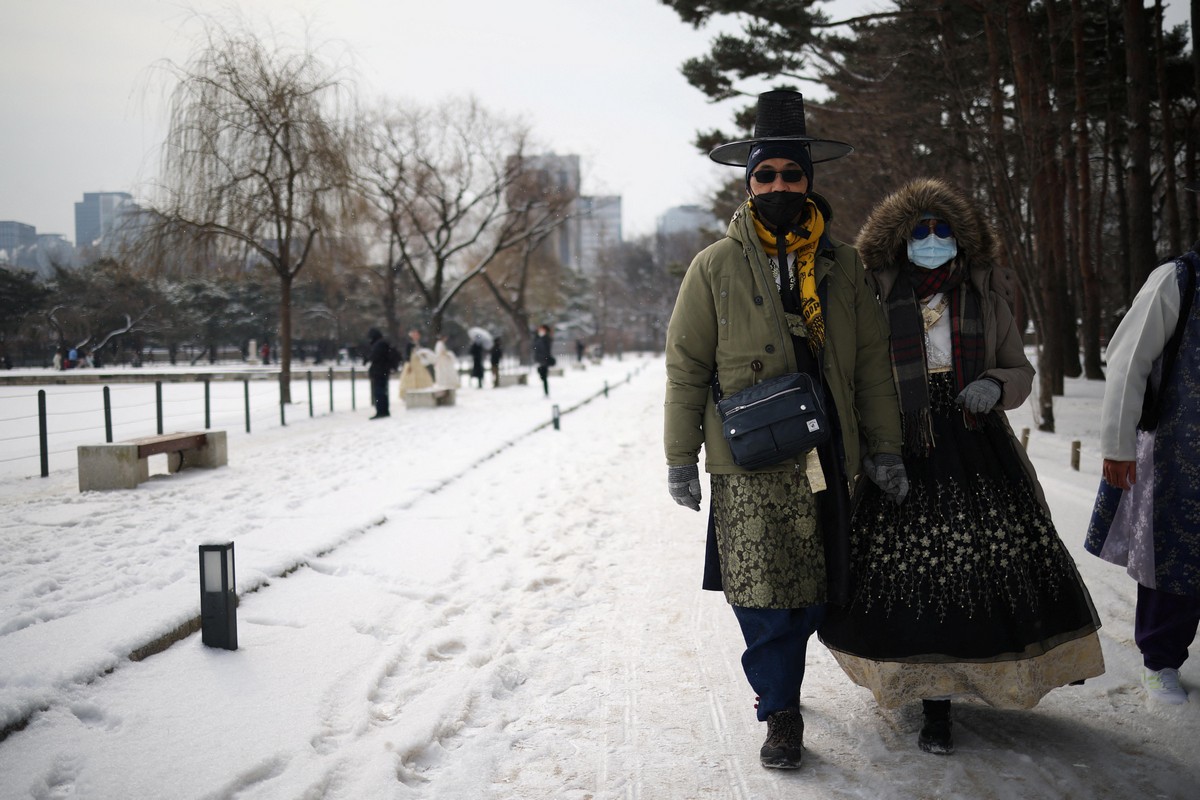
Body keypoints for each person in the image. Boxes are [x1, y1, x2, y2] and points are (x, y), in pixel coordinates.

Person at [818, 178, 1104, 755]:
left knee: (982, 572)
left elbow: (1018, 370)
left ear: (959, 238)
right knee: (912, 578)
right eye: (918, 231)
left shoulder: (985, 295)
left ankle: (972, 680)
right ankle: (932, 705)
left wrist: (994, 385)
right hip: (900, 438)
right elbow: (854, 376)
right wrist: (876, 450)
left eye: (941, 229)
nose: (930, 239)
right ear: (898, 241)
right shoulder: (872, 297)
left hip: (977, 445)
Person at [664, 90, 905, 770]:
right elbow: (685, 368)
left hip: (827, 448)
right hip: (748, 453)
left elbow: (869, 368)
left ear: (808, 182)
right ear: (748, 183)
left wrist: (883, 447)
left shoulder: (845, 264)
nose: (777, 186)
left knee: (821, 582)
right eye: (765, 175)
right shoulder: (714, 266)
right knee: (761, 588)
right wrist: (681, 458)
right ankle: (780, 709)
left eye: (789, 176)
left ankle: (788, 677)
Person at [1085, 180, 1200, 706]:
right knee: (1173, 557)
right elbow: (1128, 362)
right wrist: (1118, 446)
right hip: (1181, 452)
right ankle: (1161, 661)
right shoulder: (1180, 278)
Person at [363, 327, 392, 419]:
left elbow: (374, 357)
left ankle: (381, 411)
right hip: (383, 372)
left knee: (379, 392)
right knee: (382, 392)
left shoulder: (379, 345)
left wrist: (367, 358)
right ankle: (384, 410)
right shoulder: (382, 343)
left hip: (379, 372)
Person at [532, 324, 555, 396]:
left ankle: (546, 392)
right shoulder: (538, 338)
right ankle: (546, 391)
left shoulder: (546, 339)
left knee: (544, 376)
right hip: (539, 359)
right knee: (542, 375)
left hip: (544, 359)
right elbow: (535, 346)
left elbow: (546, 350)